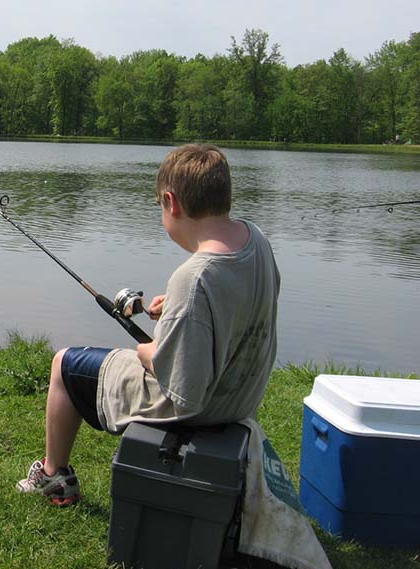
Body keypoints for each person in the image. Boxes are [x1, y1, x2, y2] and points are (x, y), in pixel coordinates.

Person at [17, 144, 281, 505]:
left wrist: (146, 351)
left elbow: (183, 387)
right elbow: (238, 304)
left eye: (160, 206)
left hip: (197, 409)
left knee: (64, 364)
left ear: (171, 202)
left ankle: (53, 477)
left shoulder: (194, 276)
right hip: (239, 398)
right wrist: (175, 310)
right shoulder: (257, 240)